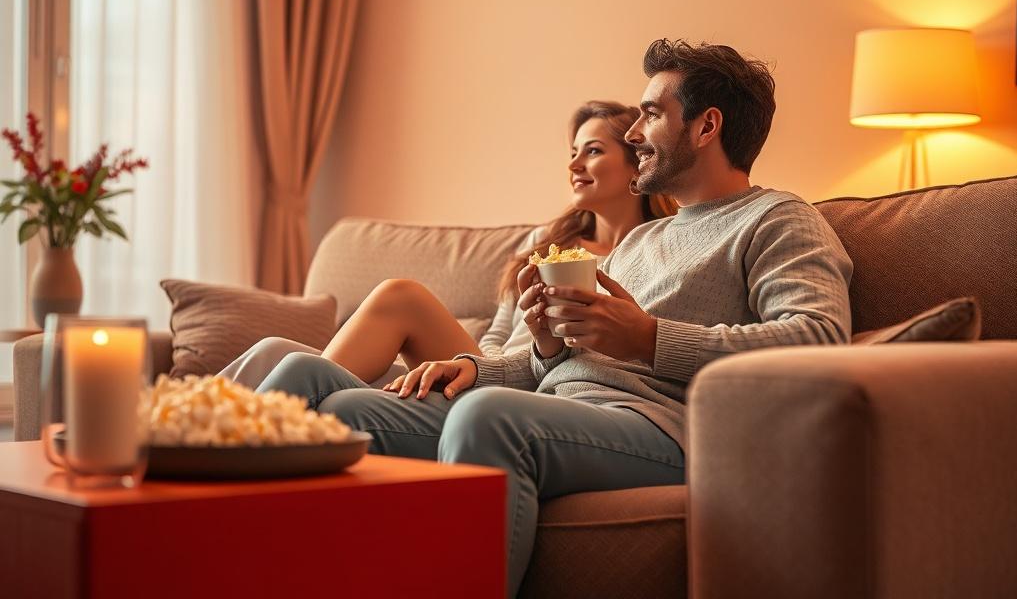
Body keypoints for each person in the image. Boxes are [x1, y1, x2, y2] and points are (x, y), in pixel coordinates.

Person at [255, 39, 854, 597]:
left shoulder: (778, 218)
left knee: (492, 419)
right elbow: (563, 362)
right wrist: (501, 357)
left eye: (650, 115)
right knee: (337, 408)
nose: (637, 131)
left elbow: (820, 338)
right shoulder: (641, 242)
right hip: (568, 407)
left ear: (706, 125)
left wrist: (649, 338)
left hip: (661, 426)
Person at [219, 100, 677, 388]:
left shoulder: (652, 254)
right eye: (572, 152)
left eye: (593, 151)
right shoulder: (546, 241)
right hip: (486, 368)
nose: (575, 163)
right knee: (276, 351)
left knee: (401, 297)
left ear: (637, 164)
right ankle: (178, 434)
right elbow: (498, 333)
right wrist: (475, 363)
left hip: (541, 386)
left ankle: (283, 422)